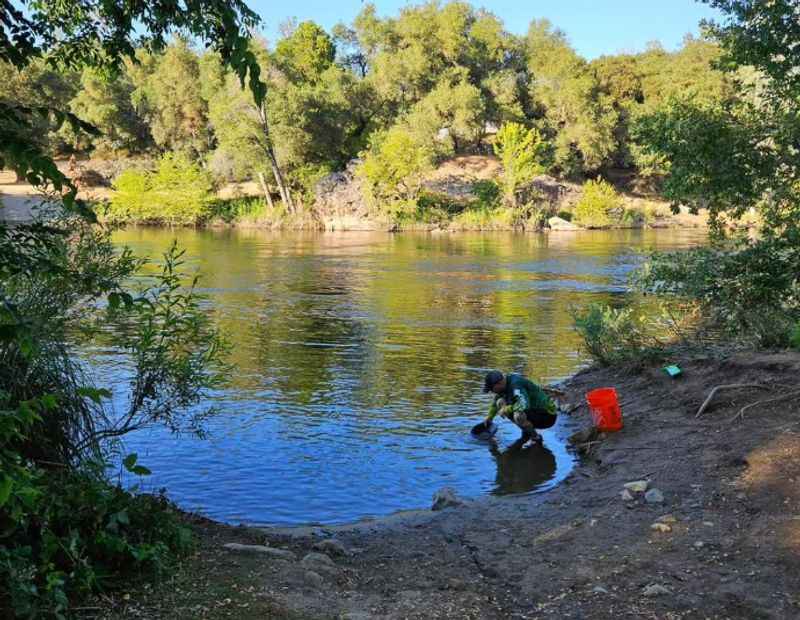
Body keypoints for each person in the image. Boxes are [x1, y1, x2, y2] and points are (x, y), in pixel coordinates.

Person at [483, 370, 557, 444]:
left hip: (547, 415)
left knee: (518, 416)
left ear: (499, 383)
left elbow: (523, 404)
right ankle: (527, 430)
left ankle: (536, 438)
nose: (492, 391)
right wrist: (490, 417)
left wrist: (506, 409)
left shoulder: (516, 384)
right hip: (533, 410)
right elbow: (496, 400)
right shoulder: (504, 385)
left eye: (491, 389)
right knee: (500, 402)